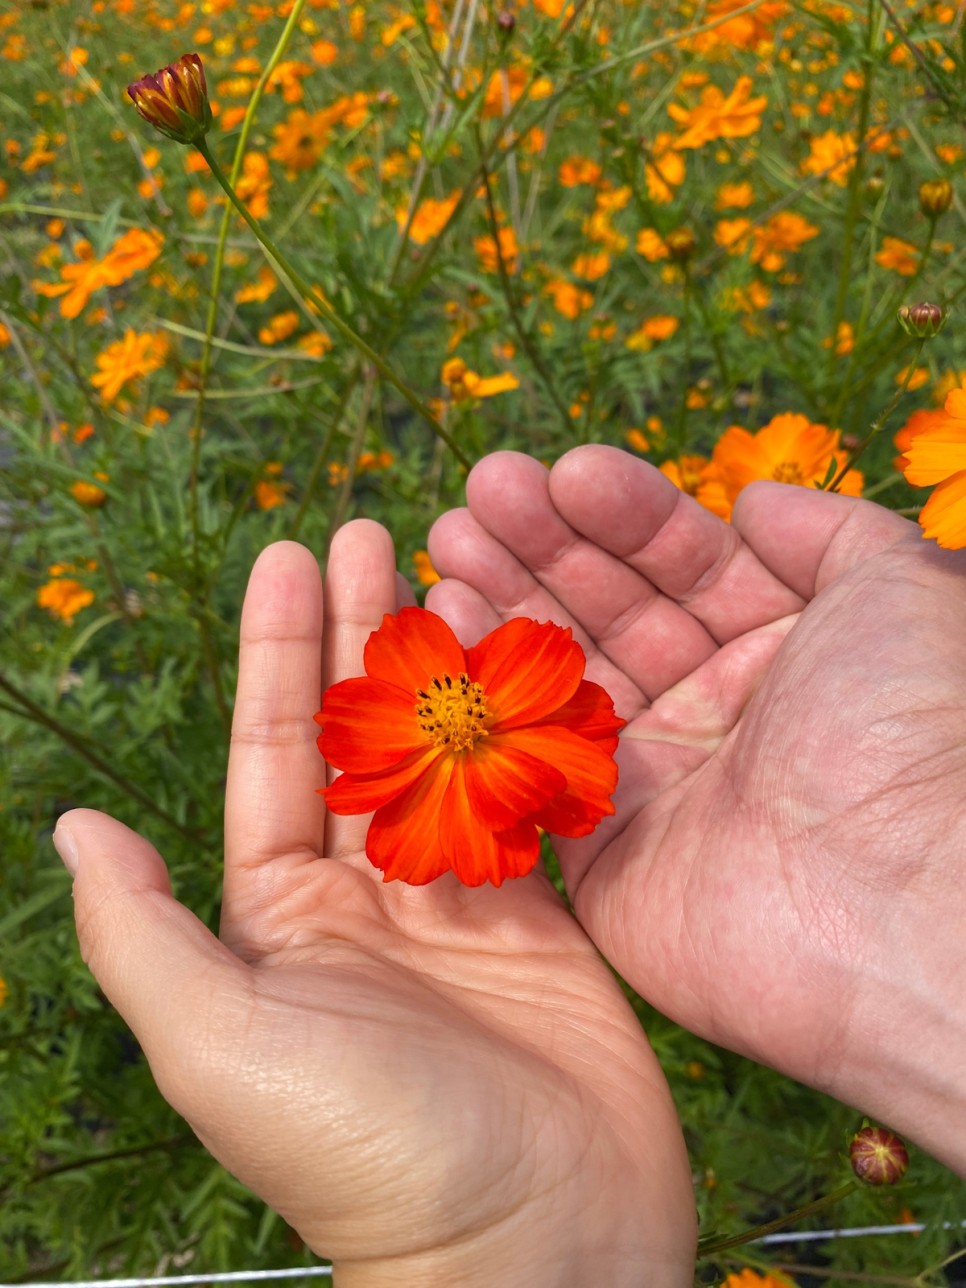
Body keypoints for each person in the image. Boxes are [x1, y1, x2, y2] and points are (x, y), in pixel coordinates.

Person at [53, 444, 966, 1286]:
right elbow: (375, 740)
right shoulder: (412, 756)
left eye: (456, 703)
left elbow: (542, 697)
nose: (454, 709)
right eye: (450, 705)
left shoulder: (525, 702)